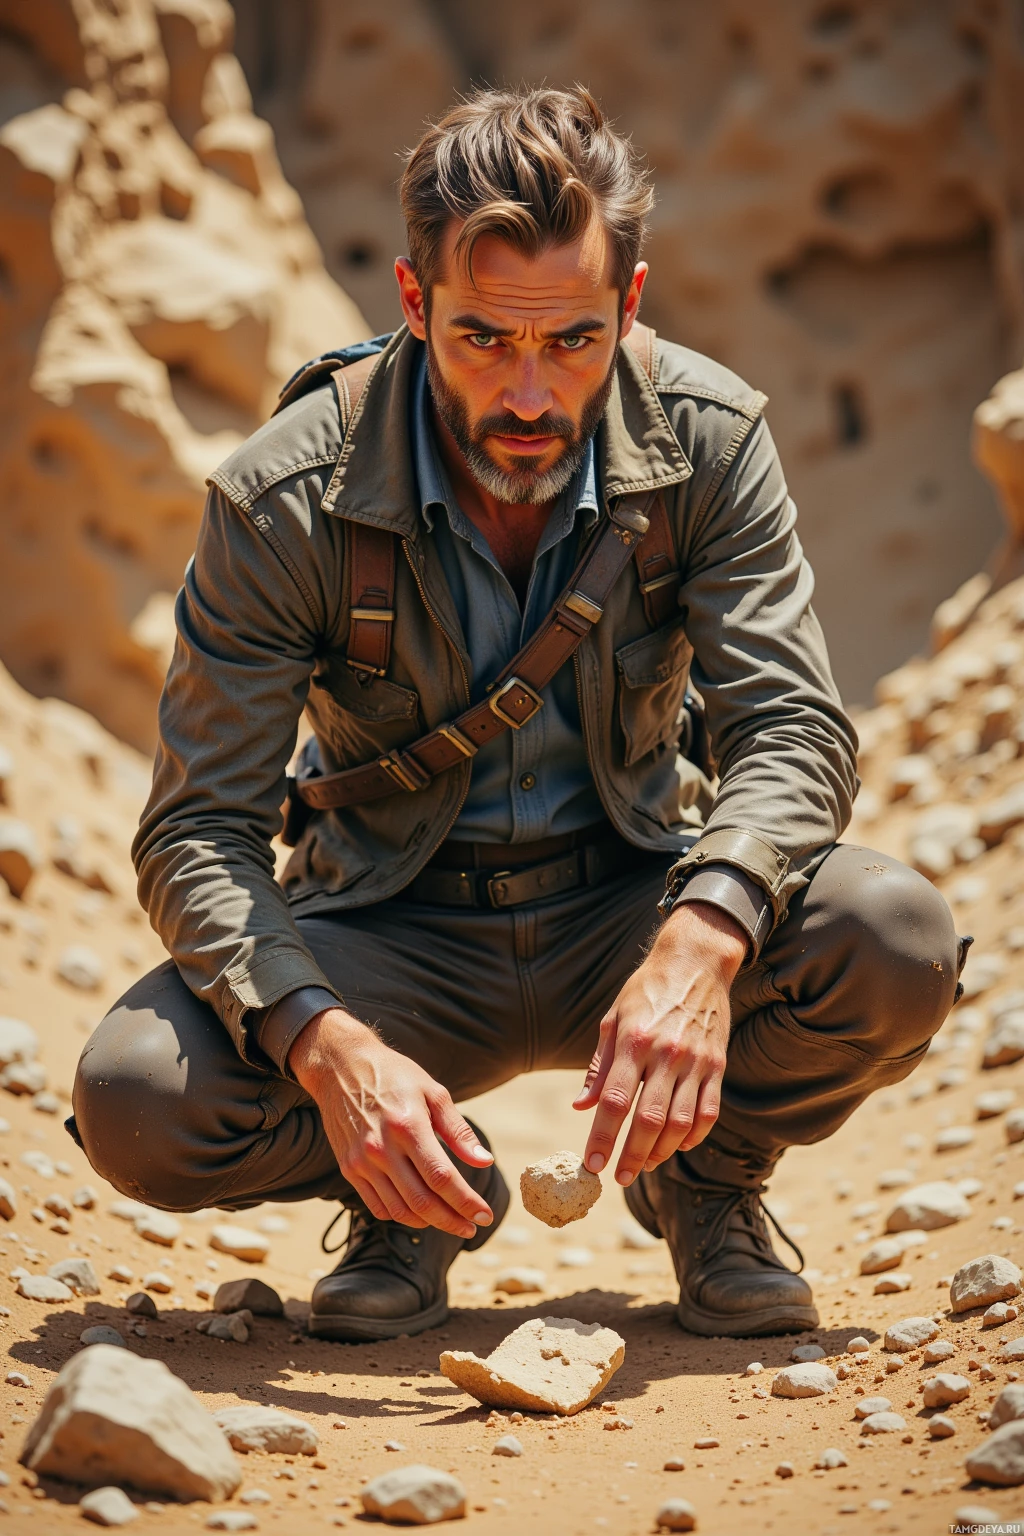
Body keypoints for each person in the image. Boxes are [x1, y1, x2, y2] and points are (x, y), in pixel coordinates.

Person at [69, 85, 962, 1343]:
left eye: (573, 343)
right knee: (139, 1096)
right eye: (485, 339)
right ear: (415, 303)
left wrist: (705, 939)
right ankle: (414, 1188)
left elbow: (794, 732)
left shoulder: (708, 441)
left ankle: (705, 1176)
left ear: (628, 308)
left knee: (891, 936)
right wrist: (330, 1053)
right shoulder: (283, 494)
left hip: (632, 894)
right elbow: (195, 832)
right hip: (386, 930)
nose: (531, 396)